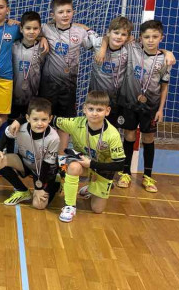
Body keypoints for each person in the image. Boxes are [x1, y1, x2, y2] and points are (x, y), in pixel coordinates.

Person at [48, 90, 126, 223]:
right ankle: (70, 206)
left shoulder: (113, 135)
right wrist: (19, 121)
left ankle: (91, 188)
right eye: (91, 109)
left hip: (102, 169)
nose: (94, 113)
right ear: (84, 109)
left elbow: (120, 165)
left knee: (97, 209)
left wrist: (92, 164)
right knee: (73, 167)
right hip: (82, 163)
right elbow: (49, 118)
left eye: (99, 110)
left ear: (107, 111)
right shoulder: (75, 123)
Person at [117, 19, 172, 193]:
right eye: (147, 37)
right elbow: (113, 37)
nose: (150, 40)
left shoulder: (164, 59)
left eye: (155, 37)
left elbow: (164, 86)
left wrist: (160, 109)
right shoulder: (132, 49)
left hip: (151, 106)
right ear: (140, 37)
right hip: (129, 102)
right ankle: (125, 173)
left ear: (161, 38)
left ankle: (147, 176)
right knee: (129, 135)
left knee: (148, 137)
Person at [0, 97, 60, 208]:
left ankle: (56, 184)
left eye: (44, 119)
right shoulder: (20, 127)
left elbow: (48, 165)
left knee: (39, 205)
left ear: (50, 119)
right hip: (25, 163)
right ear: (28, 118)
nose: (39, 123)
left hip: (44, 171)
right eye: (35, 119)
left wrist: (39, 188)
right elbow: (7, 134)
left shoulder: (54, 138)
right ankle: (22, 190)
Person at [38, 0, 96, 118]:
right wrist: (41, 37)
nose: (65, 15)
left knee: (66, 120)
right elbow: (25, 27)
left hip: (69, 85)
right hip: (48, 85)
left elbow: (94, 45)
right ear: (53, 15)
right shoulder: (45, 29)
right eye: (60, 12)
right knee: (45, 117)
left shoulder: (80, 31)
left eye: (68, 11)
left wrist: (88, 29)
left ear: (73, 12)